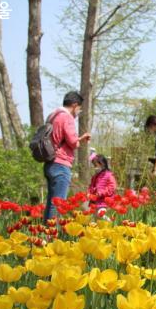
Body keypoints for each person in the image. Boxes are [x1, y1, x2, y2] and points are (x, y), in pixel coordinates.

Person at [44, 91, 91, 221]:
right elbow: (73, 143)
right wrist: (82, 139)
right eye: (79, 109)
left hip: (49, 163)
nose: (78, 112)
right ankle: (52, 236)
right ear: (75, 105)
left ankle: (46, 234)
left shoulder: (52, 115)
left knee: (50, 203)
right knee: (58, 204)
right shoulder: (66, 117)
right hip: (61, 164)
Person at [88, 152, 117, 217]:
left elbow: (112, 187)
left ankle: (109, 225)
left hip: (104, 202)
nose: (95, 167)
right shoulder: (95, 176)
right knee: (95, 219)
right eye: (94, 166)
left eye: (96, 165)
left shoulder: (109, 175)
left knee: (102, 216)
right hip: (95, 202)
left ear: (103, 164)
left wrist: (101, 192)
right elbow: (91, 186)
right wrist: (90, 193)